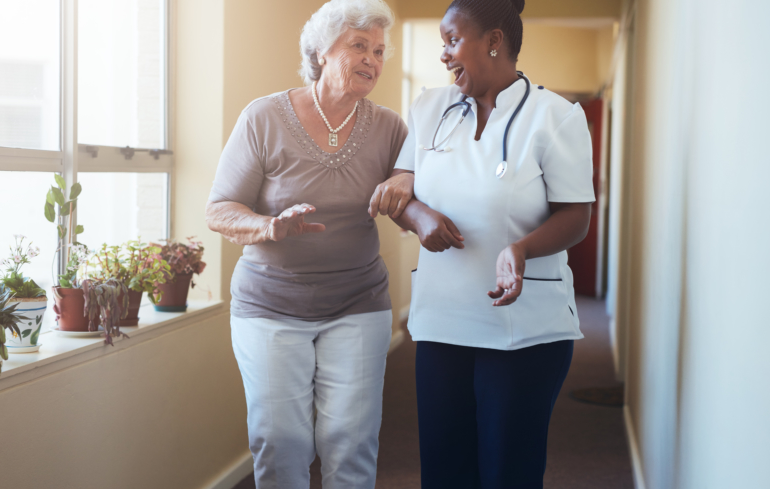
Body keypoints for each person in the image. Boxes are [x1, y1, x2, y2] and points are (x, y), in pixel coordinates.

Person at [371, 0, 595, 486]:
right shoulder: (431, 107)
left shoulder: (555, 116)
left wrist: (521, 249)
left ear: (494, 41)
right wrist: (420, 215)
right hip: (441, 322)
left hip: (523, 327)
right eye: (441, 44)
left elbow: (576, 215)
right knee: (445, 469)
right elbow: (401, 189)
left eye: (452, 41)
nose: (444, 55)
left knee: (507, 471)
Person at [205, 1, 412, 487]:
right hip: (270, 303)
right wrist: (269, 227)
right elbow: (219, 209)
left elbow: (412, 191)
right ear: (320, 51)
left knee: (352, 439)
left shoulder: (389, 127)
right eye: (358, 45)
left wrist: (406, 179)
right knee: (281, 442)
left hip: (358, 301)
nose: (372, 60)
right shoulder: (264, 118)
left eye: (379, 50)